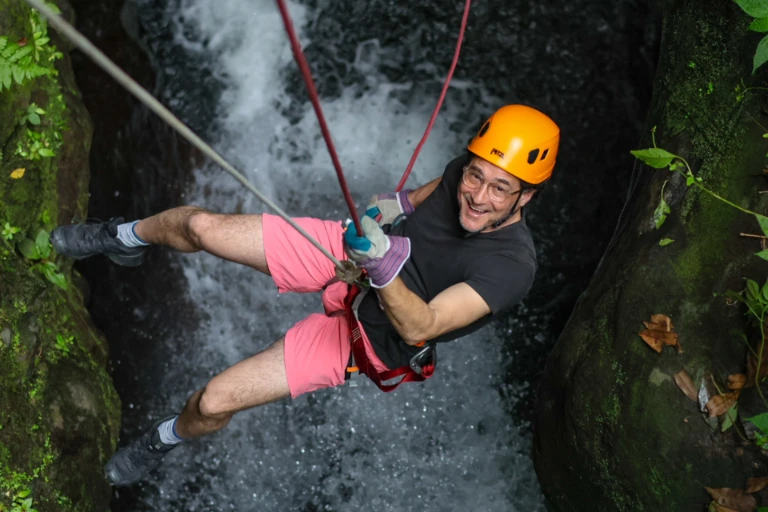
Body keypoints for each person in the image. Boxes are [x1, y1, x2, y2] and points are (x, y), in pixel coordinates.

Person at [51, 104, 559, 486]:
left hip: (370, 336)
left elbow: (420, 326)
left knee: (212, 401)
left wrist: (383, 264)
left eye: (500, 189)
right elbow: (419, 197)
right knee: (202, 227)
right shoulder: (465, 172)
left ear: (527, 196)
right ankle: (123, 238)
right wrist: (389, 208)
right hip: (351, 259)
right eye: (476, 176)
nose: (478, 196)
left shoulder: (510, 267)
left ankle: (164, 438)